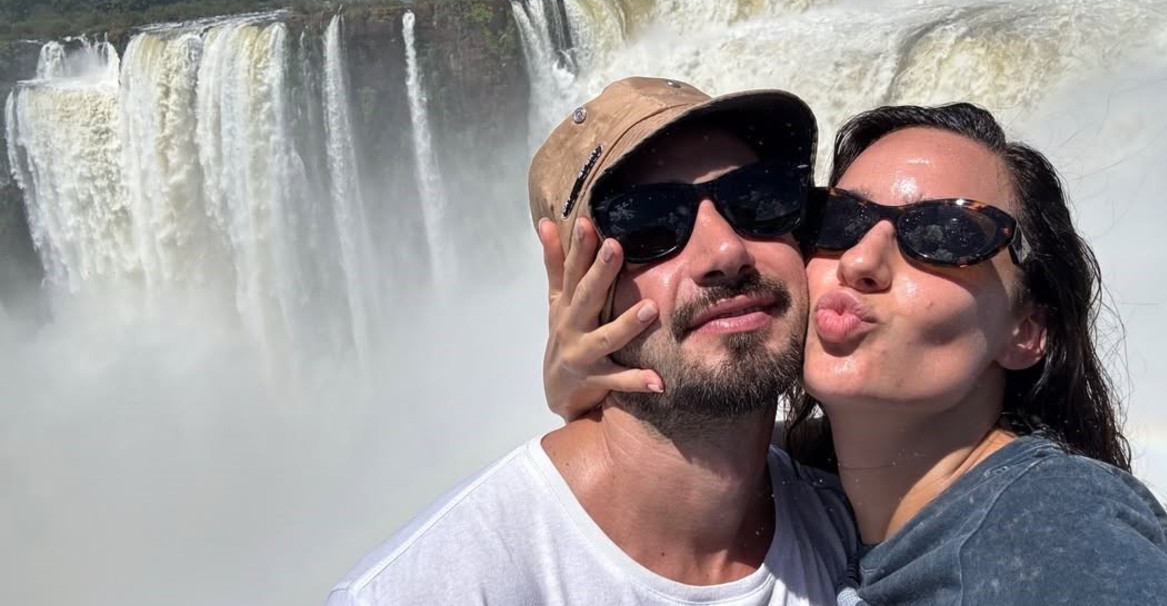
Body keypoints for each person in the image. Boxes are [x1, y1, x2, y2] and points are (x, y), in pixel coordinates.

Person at [542, 102, 1167, 604]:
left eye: (943, 232)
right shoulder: (819, 493)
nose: (861, 260)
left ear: (1025, 330)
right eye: (840, 219)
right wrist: (592, 394)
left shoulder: (1054, 532)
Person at [327, 77, 857, 605]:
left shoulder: (856, 521)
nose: (726, 252)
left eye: (759, 198)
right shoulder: (434, 588)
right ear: (576, 296)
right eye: (650, 223)